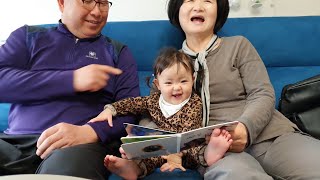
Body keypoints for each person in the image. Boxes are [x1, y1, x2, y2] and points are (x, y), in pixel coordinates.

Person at [166, 0, 320, 179]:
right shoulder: (168, 63)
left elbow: (262, 93)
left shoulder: (239, 45)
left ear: (219, 11)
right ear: (177, 10)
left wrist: (245, 128)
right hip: (217, 150)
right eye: (189, 0)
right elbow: (154, 110)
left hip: (270, 136)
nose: (198, 6)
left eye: (207, 1)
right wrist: (146, 136)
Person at [0, 0, 140, 179]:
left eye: (103, 3)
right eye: (87, 1)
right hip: (14, 143)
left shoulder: (117, 52)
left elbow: (131, 109)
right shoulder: (28, 37)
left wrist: (91, 131)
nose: (97, 12)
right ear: (62, 3)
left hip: (77, 147)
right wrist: (71, 80)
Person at [89, 48, 233, 179]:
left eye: (183, 81)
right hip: (161, 147)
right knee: (147, 153)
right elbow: (132, 103)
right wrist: (110, 109)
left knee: (198, 150)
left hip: (188, 147)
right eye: (169, 83)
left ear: (192, 80)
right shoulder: (153, 101)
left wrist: (175, 156)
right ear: (158, 85)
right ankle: (132, 168)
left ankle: (211, 154)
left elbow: (184, 136)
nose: (177, 88)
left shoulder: (194, 103)